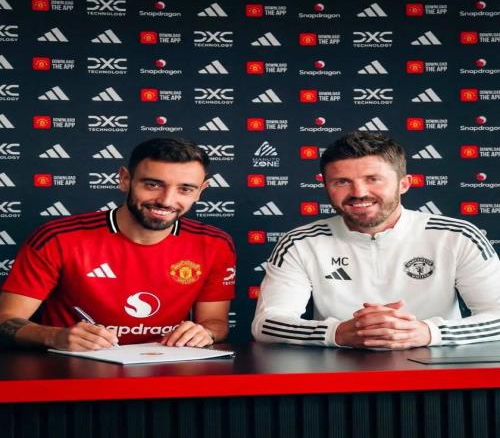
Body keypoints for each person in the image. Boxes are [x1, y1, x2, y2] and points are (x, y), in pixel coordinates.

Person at [252, 131, 500, 349]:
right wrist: (337, 333)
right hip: (336, 374)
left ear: (404, 184)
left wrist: (428, 332)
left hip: (440, 373)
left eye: (373, 179)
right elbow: (267, 323)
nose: (359, 193)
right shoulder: (300, 242)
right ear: (326, 187)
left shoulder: (457, 236)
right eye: (342, 182)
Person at [0, 138, 236, 351]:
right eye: (153, 185)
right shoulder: (57, 238)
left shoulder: (215, 244)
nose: (166, 200)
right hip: (72, 370)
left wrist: (206, 332)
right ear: (125, 179)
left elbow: (215, 322)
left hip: (167, 370)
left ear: (200, 191)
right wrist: (55, 336)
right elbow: (6, 319)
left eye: (185, 189)